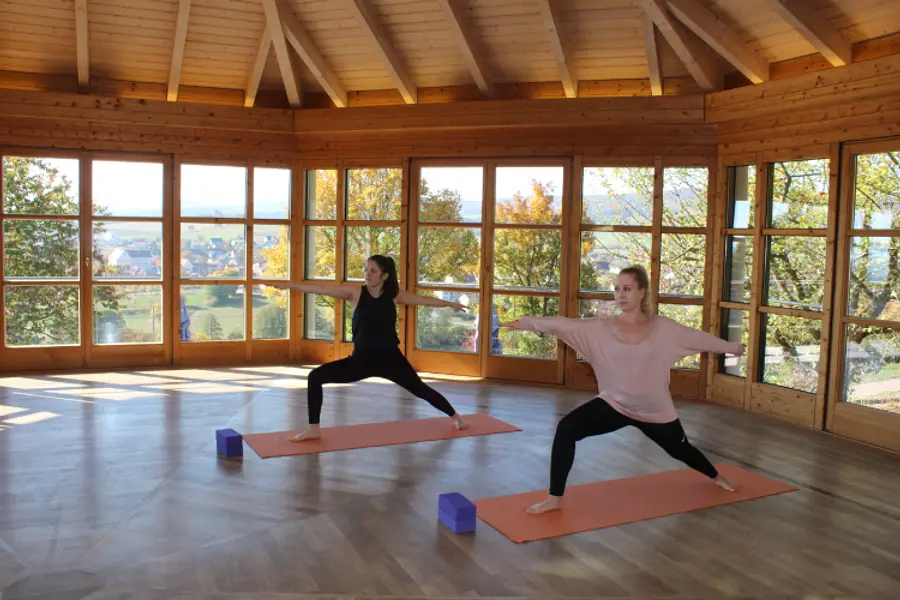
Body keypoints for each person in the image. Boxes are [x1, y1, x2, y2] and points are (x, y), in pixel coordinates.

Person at [500, 265, 744, 515]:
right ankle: (555, 498)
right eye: (617, 289)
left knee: (681, 450)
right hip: (615, 404)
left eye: (627, 289)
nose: (620, 295)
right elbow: (563, 325)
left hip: (654, 411)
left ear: (642, 292)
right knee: (566, 429)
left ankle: (716, 476)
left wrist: (732, 348)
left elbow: (699, 338)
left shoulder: (663, 328)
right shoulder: (601, 327)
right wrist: (527, 323)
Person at [273, 254, 469, 441]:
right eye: (366, 270)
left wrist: (450, 304)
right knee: (315, 376)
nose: (367, 274)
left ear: (384, 275)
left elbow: (424, 300)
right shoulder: (355, 293)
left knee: (421, 389)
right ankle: (313, 429)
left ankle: (455, 416)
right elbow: (320, 288)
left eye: (373, 271)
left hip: (391, 359)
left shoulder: (394, 295)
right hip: (361, 361)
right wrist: (289, 285)